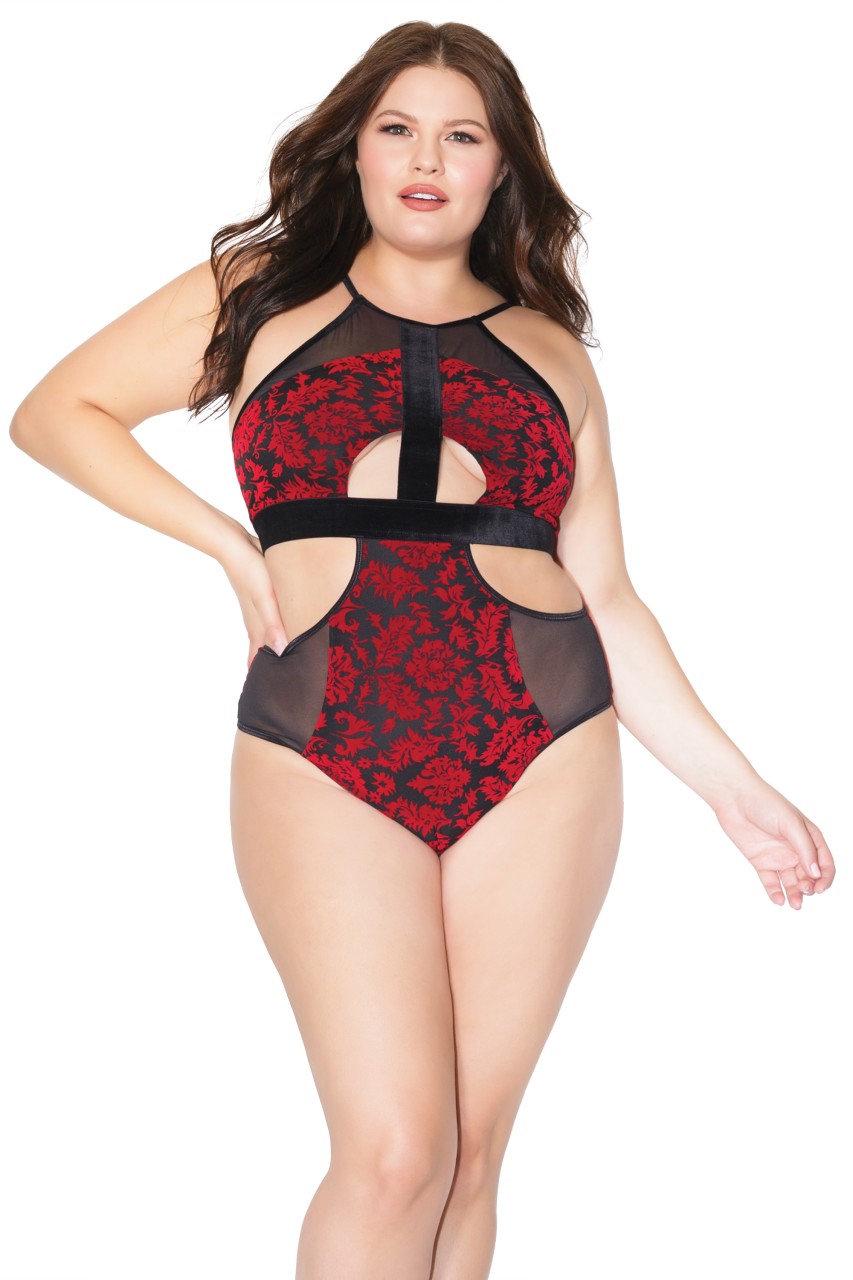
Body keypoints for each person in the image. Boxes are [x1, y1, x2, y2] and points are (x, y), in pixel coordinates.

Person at [9, 19, 835, 1280]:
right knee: (395, 1148)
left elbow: (607, 595)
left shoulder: (552, 352)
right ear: (355, 149)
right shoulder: (259, 293)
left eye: (462, 135)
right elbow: (56, 412)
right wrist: (228, 546)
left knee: (469, 1153)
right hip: (321, 737)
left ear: (502, 167)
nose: (426, 159)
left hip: (543, 745)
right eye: (397, 128)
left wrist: (738, 792)